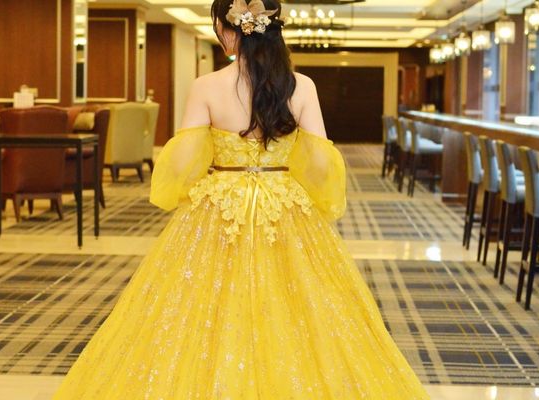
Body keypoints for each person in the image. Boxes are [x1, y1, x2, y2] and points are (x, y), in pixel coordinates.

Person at [52, 0, 430, 397]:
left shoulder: (206, 86)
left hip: (220, 204)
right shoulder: (302, 86)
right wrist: (301, 188)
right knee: (303, 309)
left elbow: (181, 160)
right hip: (283, 205)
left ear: (227, 30)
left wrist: (191, 186)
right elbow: (321, 162)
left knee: (195, 308)